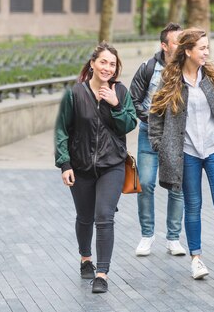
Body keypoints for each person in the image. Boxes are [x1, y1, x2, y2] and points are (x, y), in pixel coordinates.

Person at [148, 28, 214, 280]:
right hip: (187, 153)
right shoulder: (170, 81)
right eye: (202, 48)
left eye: (208, 47)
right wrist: (161, 146)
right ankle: (196, 259)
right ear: (187, 51)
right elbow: (155, 116)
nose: (206, 52)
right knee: (193, 206)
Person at [54, 42, 137, 293]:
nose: (107, 68)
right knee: (85, 217)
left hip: (112, 165)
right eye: (103, 62)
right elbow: (62, 130)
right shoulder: (74, 94)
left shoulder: (120, 92)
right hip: (80, 167)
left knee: (104, 217)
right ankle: (85, 258)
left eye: (112, 64)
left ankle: (102, 273)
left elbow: (129, 124)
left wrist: (116, 105)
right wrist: (64, 164)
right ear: (92, 64)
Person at [129, 23, 186, 257]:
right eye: (176, 42)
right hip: (148, 134)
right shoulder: (148, 68)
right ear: (164, 45)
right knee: (146, 183)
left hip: (177, 137)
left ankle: (173, 238)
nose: (181, 46)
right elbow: (133, 100)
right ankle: (147, 235)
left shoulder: (188, 68)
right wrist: (153, 122)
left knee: (177, 187)